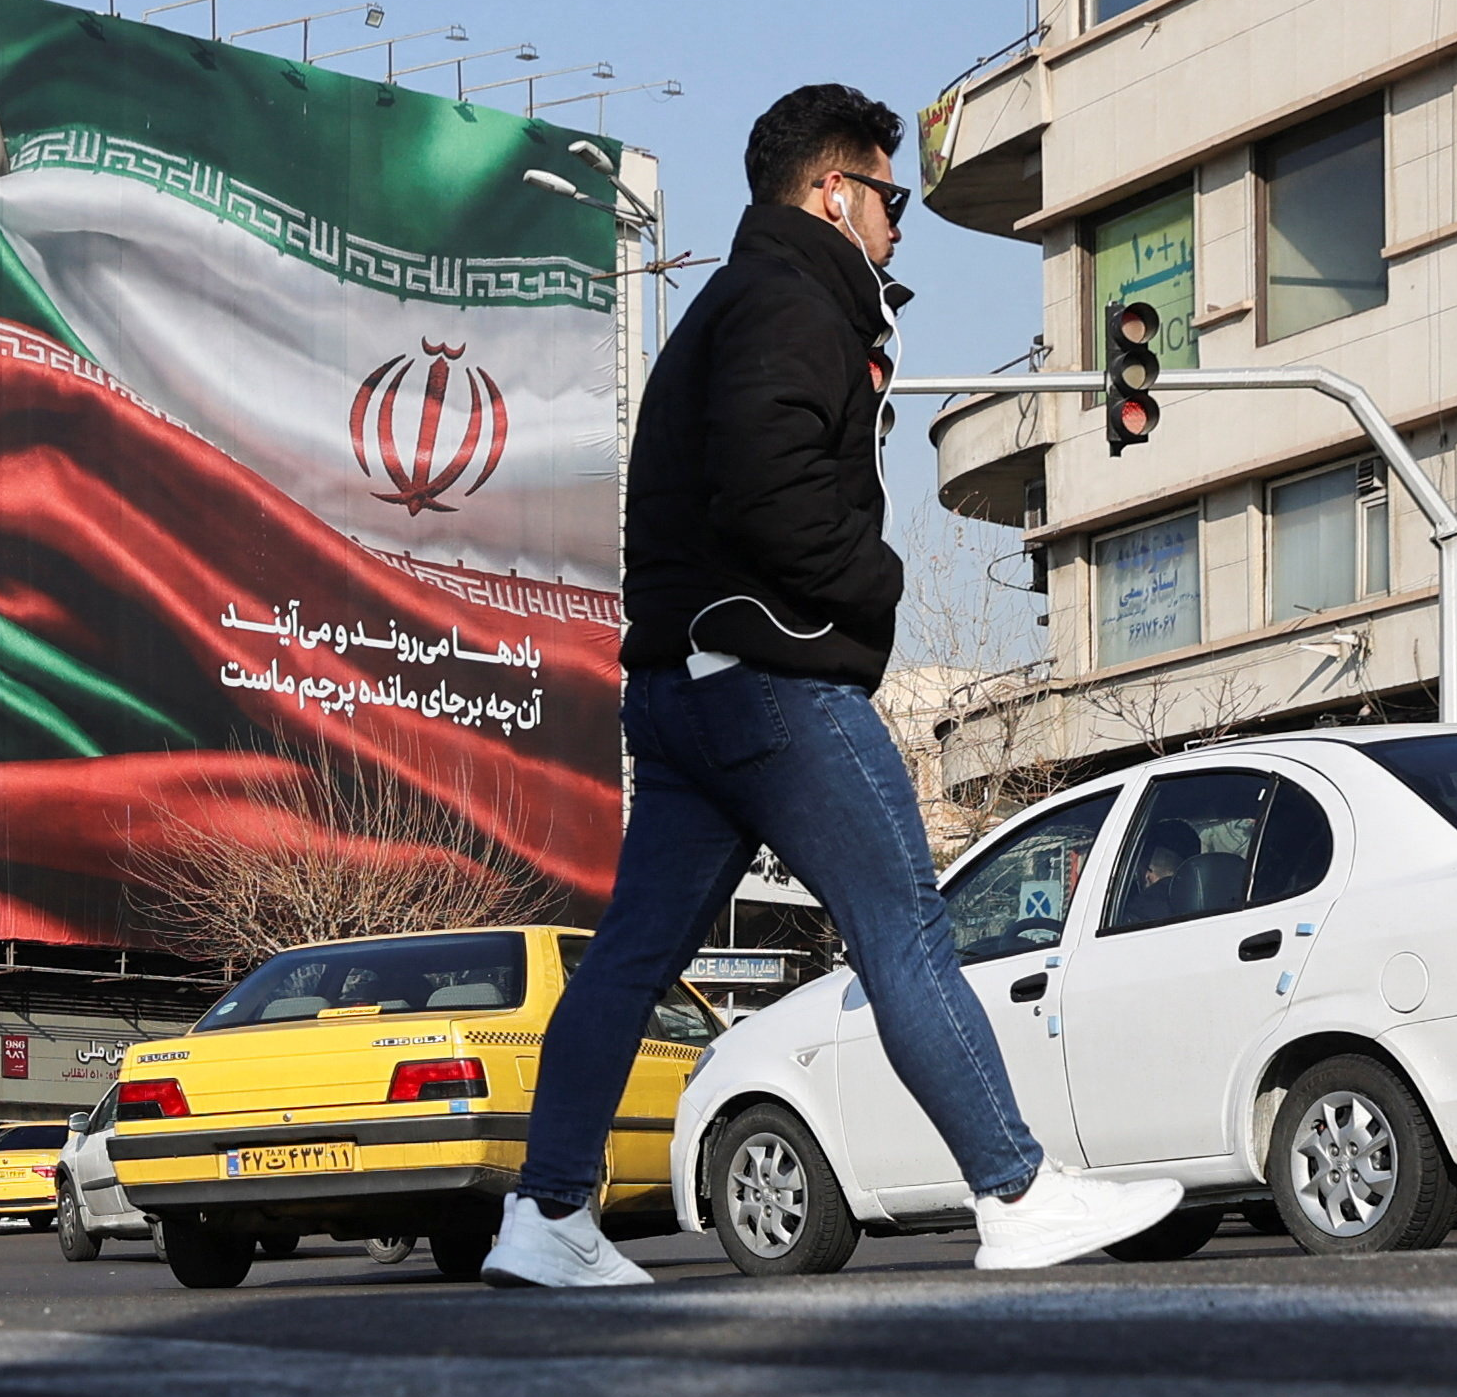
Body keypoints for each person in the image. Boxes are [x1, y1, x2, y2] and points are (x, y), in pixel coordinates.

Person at [487, 85, 1179, 1288]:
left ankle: (544, 1216)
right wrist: (870, 588)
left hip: (679, 686)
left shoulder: (728, 304)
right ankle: (1014, 1191)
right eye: (889, 197)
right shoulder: (790, 301)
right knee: (904, 931)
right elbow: (770, 488)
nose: (899, 226)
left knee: (630, 960)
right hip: (772, 683)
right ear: (831, 193)